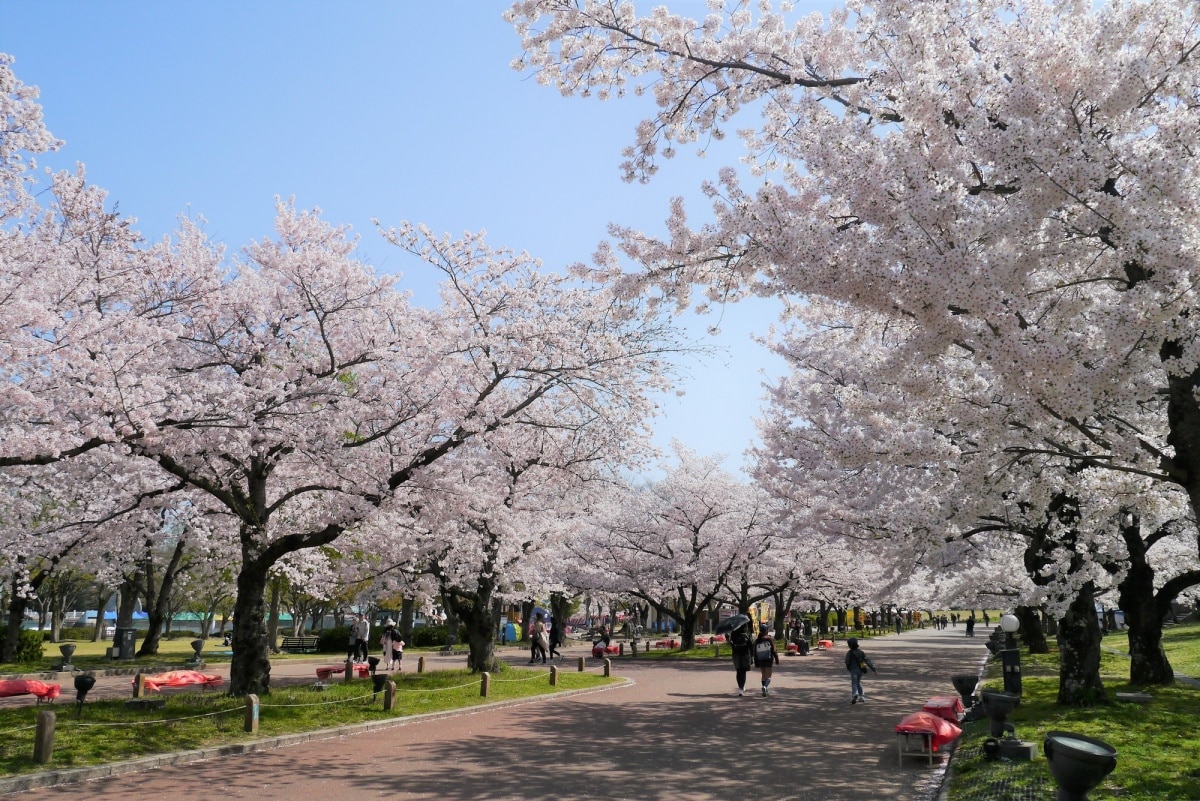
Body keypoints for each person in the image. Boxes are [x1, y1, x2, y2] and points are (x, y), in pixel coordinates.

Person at [844, 637, 877, 704]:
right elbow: (867, 661)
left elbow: (846, 661)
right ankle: (861, 696)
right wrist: (873, 669)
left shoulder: (849, 653)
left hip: (853, 670)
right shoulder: (861, 652)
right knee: (858, 682)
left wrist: (848, 667)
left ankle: (854, 694)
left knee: (854, 683)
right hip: (861, 670)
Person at [753, 623, 779, 696]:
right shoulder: (769, 639)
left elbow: (754, 652)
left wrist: (756, 662)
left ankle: (764, 690)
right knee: (768, 676)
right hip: (768, 659)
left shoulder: (757, 640)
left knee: (763, 675)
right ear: (766, 631)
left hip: (760, 659)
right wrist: (777, 659)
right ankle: (765, 686)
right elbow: (774, 650)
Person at [729, 621, 754, 696]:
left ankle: (740, 687)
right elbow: (751, 645)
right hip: (745, 654)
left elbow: (732, 644)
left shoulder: (733, 633)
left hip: (736, 654)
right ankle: (742, 687)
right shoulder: (746, 633)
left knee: (738, 670)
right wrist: (752, 655)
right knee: (743, 671)